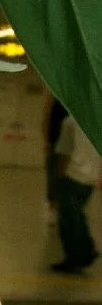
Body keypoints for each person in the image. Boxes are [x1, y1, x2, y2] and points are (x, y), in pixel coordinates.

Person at [51, 115, 101, 274]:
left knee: (68, 220)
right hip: (90, 179)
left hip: (72, 175)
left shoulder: (71, 121)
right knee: (77, 215)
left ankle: (74, 258)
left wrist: (59, 177)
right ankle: (87, 251)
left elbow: (64, 152)